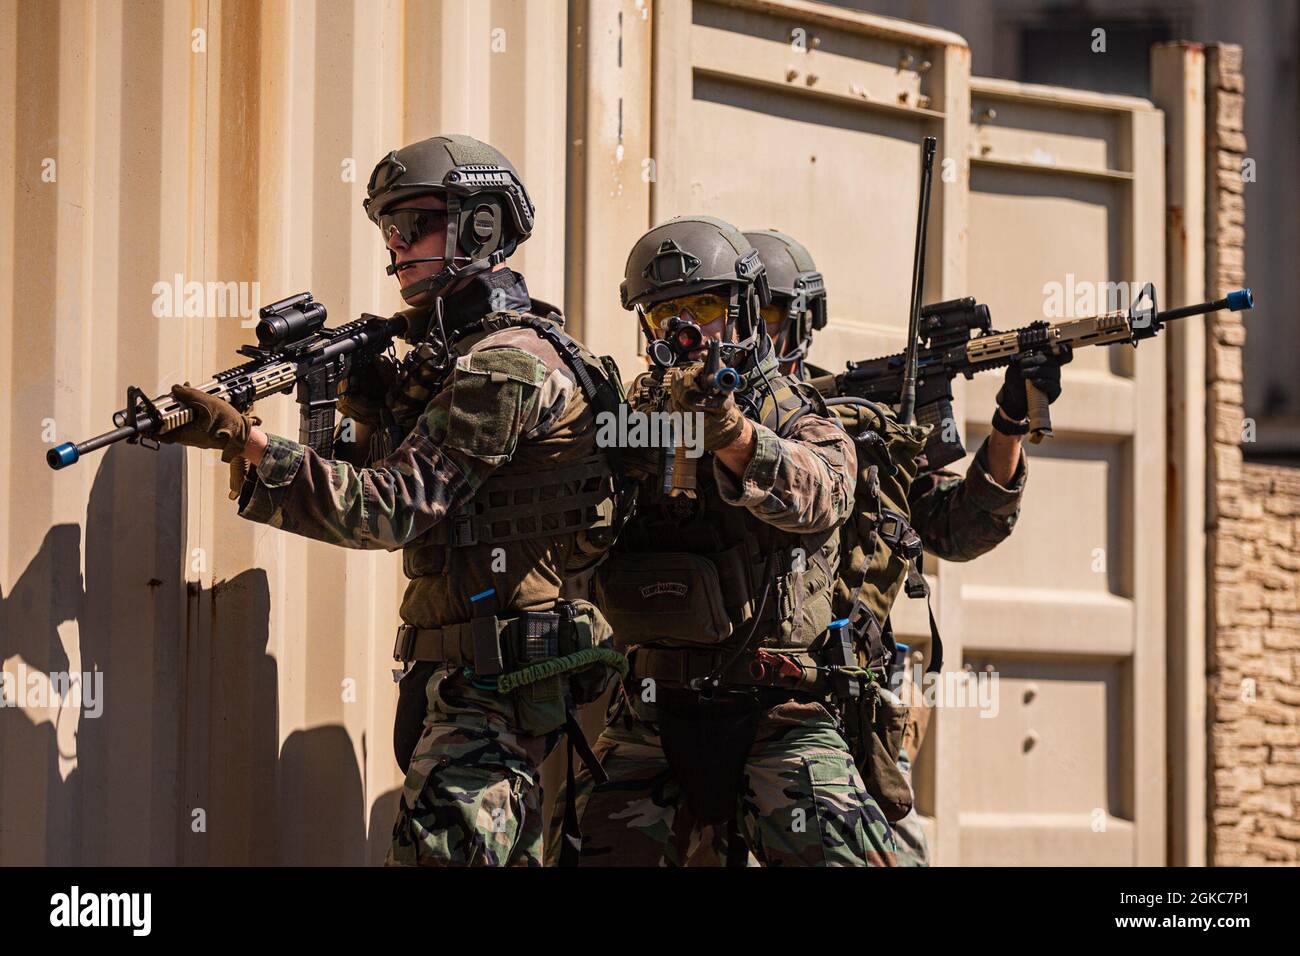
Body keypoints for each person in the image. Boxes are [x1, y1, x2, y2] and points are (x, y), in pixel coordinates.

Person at [157, 134, 628, 866]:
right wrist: (369, 408)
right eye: (389, 231)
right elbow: (393, 478)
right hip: (464, 687)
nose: (398, 247)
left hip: (496, 694)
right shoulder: (459, 359)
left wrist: (244, 442)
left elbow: (385, 509)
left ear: (481, 225)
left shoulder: (505, 365)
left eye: (416, 225)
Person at [549, 215, 897, 867]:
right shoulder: (635, 413)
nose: (683, 329)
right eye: (664, 315)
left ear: (740, 309)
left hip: (776, 710)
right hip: (650, 710)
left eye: (702, 306)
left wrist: (733, 436)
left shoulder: (793, 410)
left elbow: (823, 494)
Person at [744, 228, 1071, 865]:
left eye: (773, 321)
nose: (757, 339)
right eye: (747, 320)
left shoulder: (853, 423)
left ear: (804, 324)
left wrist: (1008, 425)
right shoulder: (702, 414)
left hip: (845, 702)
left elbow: (960, 527)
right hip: (717, 695)